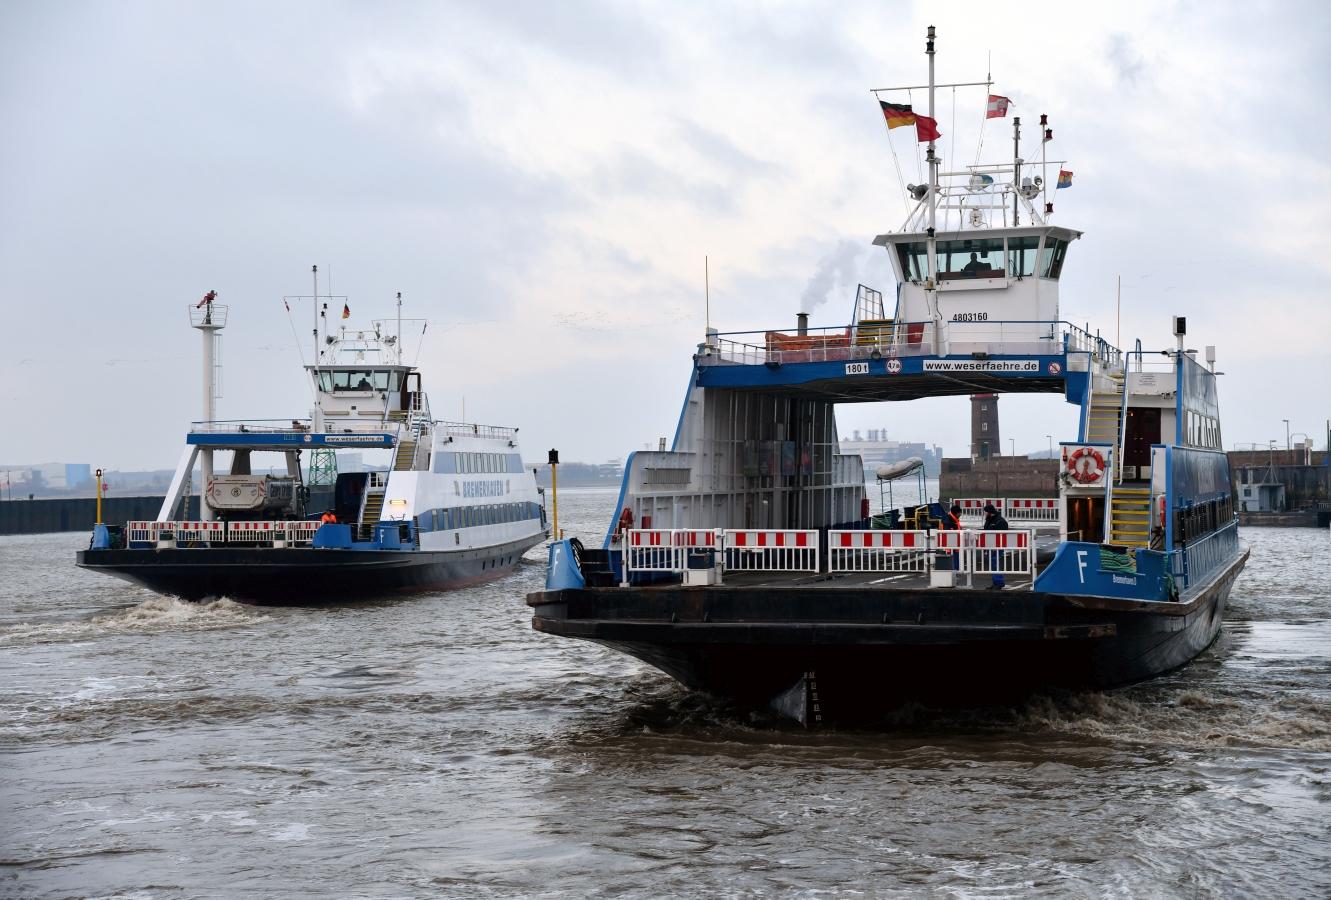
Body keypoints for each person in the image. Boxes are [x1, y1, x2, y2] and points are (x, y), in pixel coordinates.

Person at [983, 502, 1009, 589]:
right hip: (990, 546)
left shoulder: (999, 521)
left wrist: (998, 546)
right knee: (992, 563)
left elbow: (1002, 534)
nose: (984, 514)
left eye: (985, 512)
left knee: (994, 562)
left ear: (989, 512)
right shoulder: (990, 520)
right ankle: (995, 582)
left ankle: (999, 582)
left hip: (996, 547)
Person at [942, 502, 963, 570]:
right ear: (957, 513)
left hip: (955, 547)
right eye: (960, 513)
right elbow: (947, 533)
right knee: (954, 566)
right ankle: (953, 579)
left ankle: (953, 579)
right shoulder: (949, 522)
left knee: (954, 566)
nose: (960, 514)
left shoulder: (952, 520)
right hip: (952, 548)